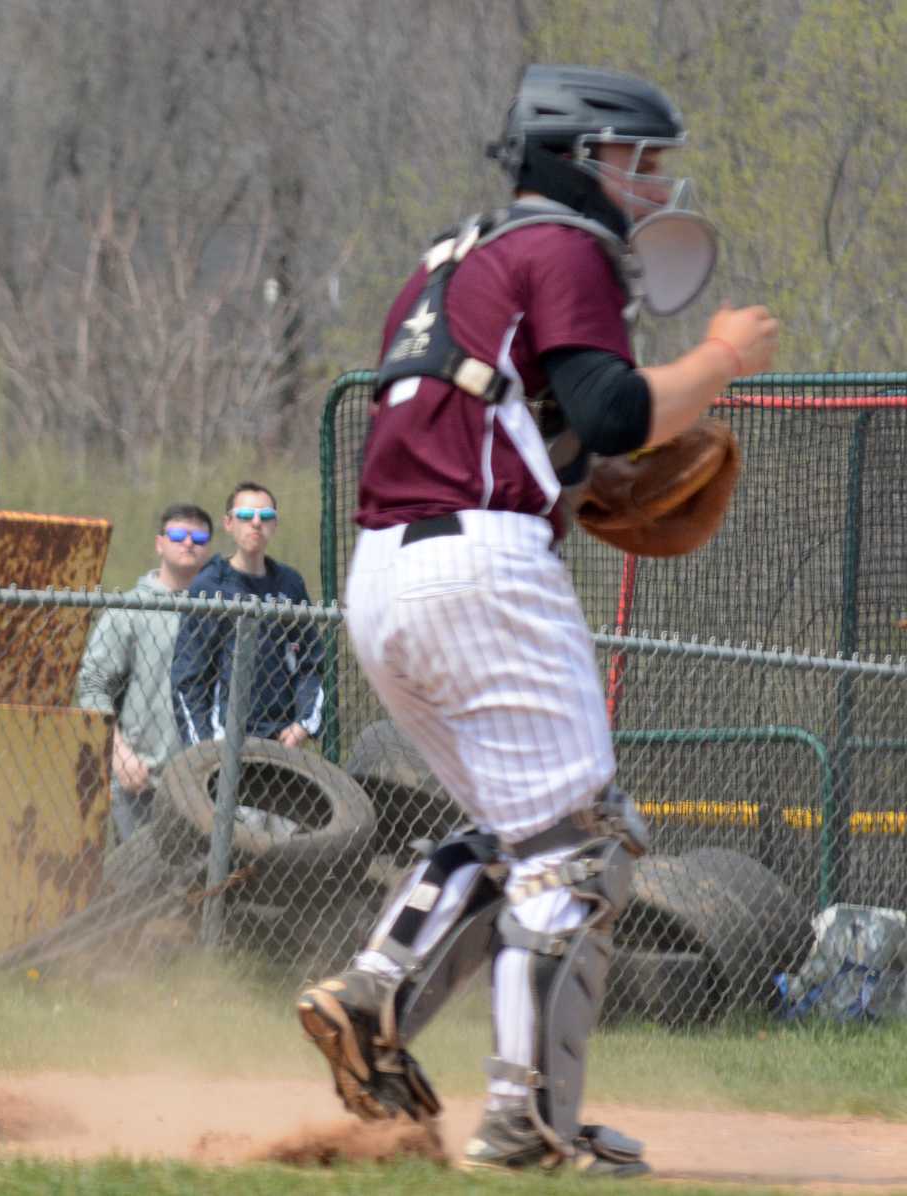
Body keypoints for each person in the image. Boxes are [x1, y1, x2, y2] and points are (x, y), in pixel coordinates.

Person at [294, 65, 778, 1178]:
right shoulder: (562, 246)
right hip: (481, 567)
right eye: (638, 160)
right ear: (578, 156)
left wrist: (578, 472)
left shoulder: (449, 259)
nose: (651, 184)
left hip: (386, 574)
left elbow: (526, 425)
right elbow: (611, 407)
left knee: (521, 833)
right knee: (580, 848)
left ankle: (374, 992)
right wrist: (717, 360)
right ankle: (527, 1126)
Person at [75, 503, 214, 843]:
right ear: (159, 543)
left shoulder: (221, 611)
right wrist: (118, 754)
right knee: (140, 873)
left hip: (207, 782)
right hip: (141, 781)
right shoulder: (128, 611)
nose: (188, 543)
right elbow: (92, 686)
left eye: (198, 537)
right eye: (178, 535)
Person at [169, 483, 324, 751]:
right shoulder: (208, 586)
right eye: (245, 515)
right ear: (229, 523)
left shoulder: (290, 583)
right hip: (223, 741)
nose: (256, 523)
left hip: (283, 741)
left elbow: (312, 662)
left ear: (275, 524)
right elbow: (188, 678)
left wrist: (303, 724)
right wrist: (204, 747)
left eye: (266, 515)